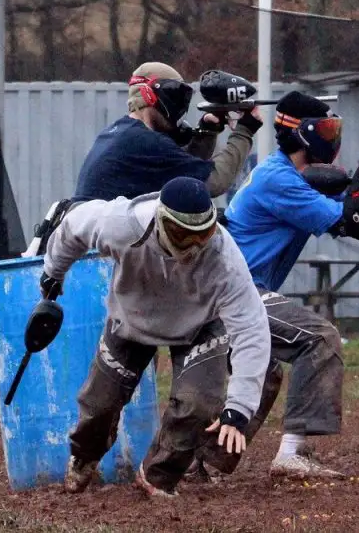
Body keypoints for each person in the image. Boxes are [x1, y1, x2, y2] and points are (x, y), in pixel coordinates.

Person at [187, 92, 359, 481]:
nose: (335, 137)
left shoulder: (288, 174)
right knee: (318, 338)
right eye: (330, 129)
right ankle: (289, 455)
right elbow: (354, 221)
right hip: (232, 292)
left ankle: (205, 466)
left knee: (264, 370)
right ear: (306, 135)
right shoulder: (280, 181)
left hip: (230, 288)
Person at [40, 176, 272, 498]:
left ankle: (158, 475)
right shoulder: (121, 224)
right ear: (161, 222)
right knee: (99, 406)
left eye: (202, 235)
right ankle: (85, 456)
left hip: (200, 325)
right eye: (183, 235)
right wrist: (53, 272)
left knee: (198, 405)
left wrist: (239, 407)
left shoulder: (223, 255)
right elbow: (72, 227)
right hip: (132, 318)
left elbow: (251, 327)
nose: (193, 247)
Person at [72, 61, 262, 203]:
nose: (180, 107)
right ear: (149, 95)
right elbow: (215, 181)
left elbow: (180, 172)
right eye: (175, 97)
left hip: (90, 244)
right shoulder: (144, 141)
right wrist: (244, 131)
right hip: (100, 250)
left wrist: (207, 132)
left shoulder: (119, 133)